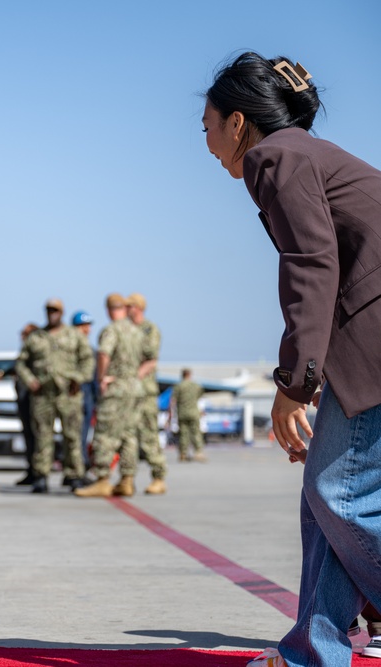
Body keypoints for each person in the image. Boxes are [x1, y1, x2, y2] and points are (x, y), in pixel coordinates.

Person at [202, 51, 381, 667]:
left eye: (206, 124)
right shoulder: (305, 154)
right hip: (363, 345)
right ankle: (313, 651)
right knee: (322, 503)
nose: (205, 141)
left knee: (339, 494)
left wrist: (295, 384)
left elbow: (311, 267)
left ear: (237, 122)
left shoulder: (275, 156)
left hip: (374, 343)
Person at [15, 298, 95, 494]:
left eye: (56, 310)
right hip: (43, 394)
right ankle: (41, 476)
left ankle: (74, 475)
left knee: (72, 436)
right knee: (42, 436)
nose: (52, 313)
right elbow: (21, 363)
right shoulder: (36, 337)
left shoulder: (74, 336)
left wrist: (79, 378)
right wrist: (30, 380)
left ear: (62, 312)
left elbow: (87, 360)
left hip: (69, 393)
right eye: (49, 310)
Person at [74, 294, 144, 498]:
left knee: (105, 435)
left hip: (116, 389)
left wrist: (102, 378)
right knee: (129, 436)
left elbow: (104, 353)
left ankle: (103, 480)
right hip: (135, 388)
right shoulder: (137, 331)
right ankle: (127, 480)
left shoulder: (111, 330)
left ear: (109, 309)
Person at [125, 293, 168, 495]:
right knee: (128, 437)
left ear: (139, 308)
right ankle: (128, 478)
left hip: (145, 393)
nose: (127, 310)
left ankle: (158, 477)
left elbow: (151, 360)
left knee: (149, 435)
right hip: (128, 393)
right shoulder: (125, 329)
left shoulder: (149, 329)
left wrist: (134, 377)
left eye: (130, 306)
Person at [71, 311, 97, 469]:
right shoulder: (69, 349)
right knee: (76, 434)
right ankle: (78, 465)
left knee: (84, 433)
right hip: (74, 396)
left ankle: (81, 462)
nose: (86, 330)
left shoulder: (91, 350)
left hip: (88, 397)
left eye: (87, 326)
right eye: (82, 326)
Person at [14, 323, 39, 485]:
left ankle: (37, 471)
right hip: (24, 398)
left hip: (35, 399)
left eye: (27, 333)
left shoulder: (36, 352)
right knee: (28, 436)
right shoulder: (25, 352)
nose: (23, 336)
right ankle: (31, 470)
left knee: (37, 436)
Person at [171, 368, 206, 462]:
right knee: (196, 433)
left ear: (182, 375)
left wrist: (170, 414)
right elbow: (200, 398)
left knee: (183, 434)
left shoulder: (178, 386)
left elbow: (173, 401)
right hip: (194, 413)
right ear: (190, 375)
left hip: (182, 413)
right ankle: (198, 452)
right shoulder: (196, 386)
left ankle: (183, 453)